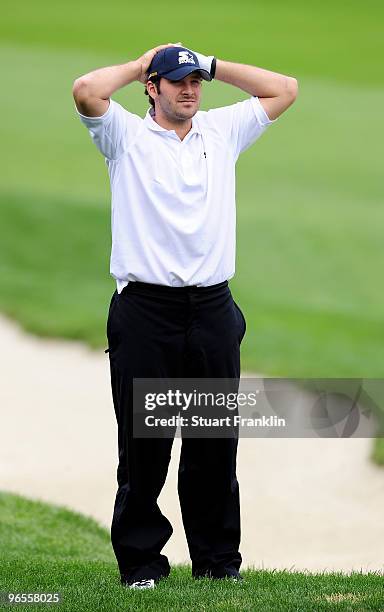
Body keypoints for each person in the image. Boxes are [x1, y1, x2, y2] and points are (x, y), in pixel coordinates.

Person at [72, 43, 298, 590]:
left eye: (196, 81)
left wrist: (216, 64)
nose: (190, 90)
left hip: (213, 308)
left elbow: (284, 88)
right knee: (145, 447)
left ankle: (218, 563)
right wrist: (141, 61)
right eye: (176, 81)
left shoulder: (221, 132)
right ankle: (141, 566)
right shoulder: (123, 136)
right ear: (152, 87)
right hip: (146, 312)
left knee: (214, 444)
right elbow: (86, 90)